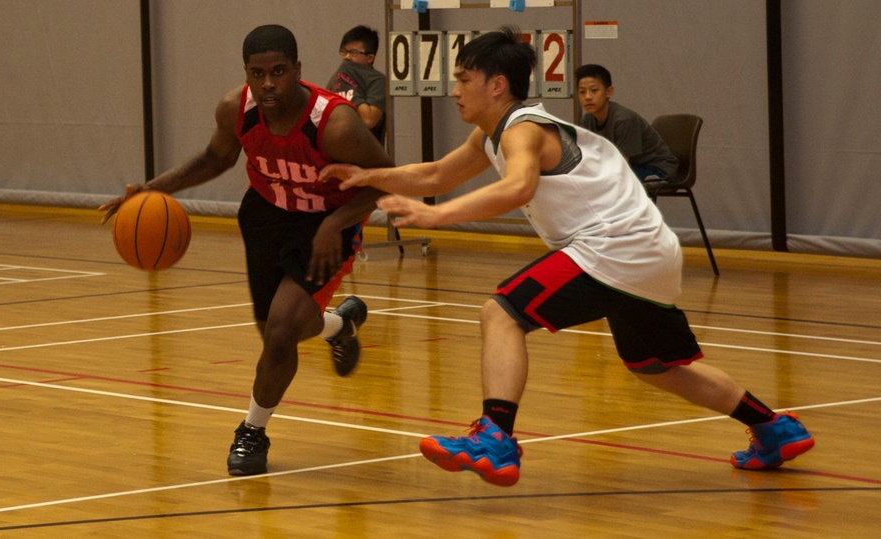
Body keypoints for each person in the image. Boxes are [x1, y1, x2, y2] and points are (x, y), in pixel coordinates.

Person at [321, 27, 813, 487]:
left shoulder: (523, 130)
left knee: (502, 313)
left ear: (496, 86)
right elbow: (434, 176)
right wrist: (368, 177)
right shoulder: (492, 133)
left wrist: (434, 217)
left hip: (614, 245)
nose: (455, 89)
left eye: (463, 78)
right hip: (648, 252)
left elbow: (517, 188)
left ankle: (495, 438)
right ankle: (774, 429)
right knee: (656, 367)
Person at [100, 24, 393, 477]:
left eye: (279, 71)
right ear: (246, 74)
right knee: (276, 331)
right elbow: (215, 159)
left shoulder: (333, 122)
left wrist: (336, 223)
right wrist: (147, 191)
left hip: (323, 224)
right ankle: (338, 324)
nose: (269, 83)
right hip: (265, 215)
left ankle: (252, 432)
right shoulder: (236, 108)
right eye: (258, 74)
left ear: (298, 69)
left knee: (280, 332)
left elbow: (385, 178)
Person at [576, 63, 678, 183]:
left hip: (656, 168)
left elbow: (621, 167)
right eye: (582, 92)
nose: (587, 97)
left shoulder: (624, 120)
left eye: (594, 90)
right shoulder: (586, 121)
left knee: (605, 184)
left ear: (608, 92)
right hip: (630, 168)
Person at [326, 25, 387, 145]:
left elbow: (369, 120)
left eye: (353, 53)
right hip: (335, 151)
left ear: (370, 58)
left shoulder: (377, 80)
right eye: (344, 52)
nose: (347, 57)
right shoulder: (338, 76)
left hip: (367, 154)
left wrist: (348, 89)